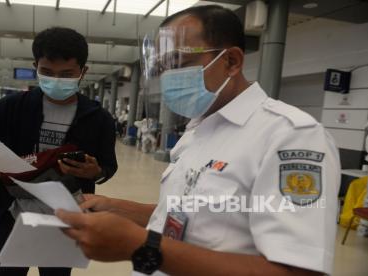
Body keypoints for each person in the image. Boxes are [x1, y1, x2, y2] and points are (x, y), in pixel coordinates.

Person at [55, 5, 340, 276]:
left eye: (179, 63)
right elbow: (202, 215)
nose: (169, 77)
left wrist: (141, 245)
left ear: (231, 61)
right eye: (163, 67)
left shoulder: (291, 137)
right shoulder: (200, 129)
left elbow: (296, 271)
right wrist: (120, 209)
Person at [0, 27, 117, 276]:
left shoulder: (98, 119)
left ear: (82, 72)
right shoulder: (12, 107)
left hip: (67, 214)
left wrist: (96, 171)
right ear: (36, 66)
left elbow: (108, 166)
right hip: (15, 210)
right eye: (47, 72)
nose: (55, 80)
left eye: (66, 74)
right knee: (6, 272)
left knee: (56, 273)